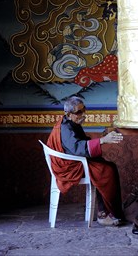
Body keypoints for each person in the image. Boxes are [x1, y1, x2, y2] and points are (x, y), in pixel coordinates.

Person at [47, 95, 125, 226]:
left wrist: (102, 138)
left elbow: (81, 143)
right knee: (106, 171)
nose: (83, 114)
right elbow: (77, 148)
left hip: (75, 160)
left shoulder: (71, 123)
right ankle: (103, 214)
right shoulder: (65, 128)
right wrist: (101, 141)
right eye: (78, 112)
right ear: (67, 113)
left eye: (84, 110)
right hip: (68, 167)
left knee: (108, 166)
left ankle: (111, 211)